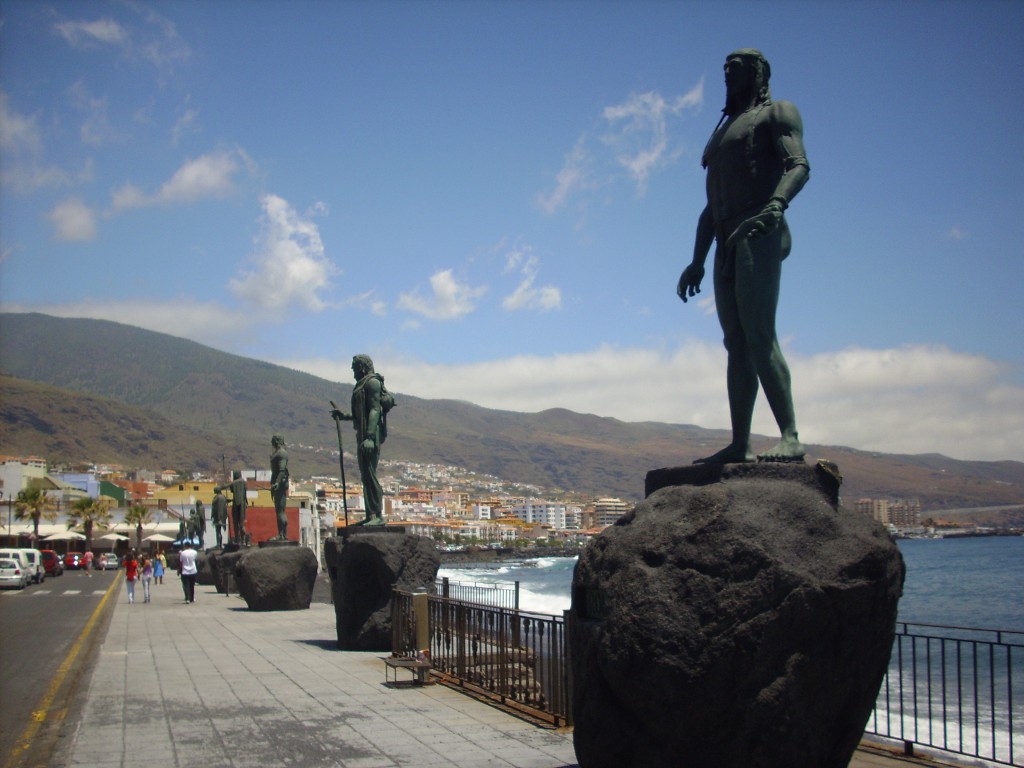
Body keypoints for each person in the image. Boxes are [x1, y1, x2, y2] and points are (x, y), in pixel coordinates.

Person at [677, 49, 810, 464]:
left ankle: (790, 436)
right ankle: (741, 443)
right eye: (725, 72)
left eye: (736, 71)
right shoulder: (722, 133)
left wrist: (776, 206)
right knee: (736, 342)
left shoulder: (777, 113)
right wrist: (697, 258)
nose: (728, 78)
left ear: (757, 74)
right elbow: (710, 205)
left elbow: (799, 164)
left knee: (759, 333)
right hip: (723, 239)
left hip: (758, 230)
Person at [332, 354, 393, 526]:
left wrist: (370, 437)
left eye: (354, 368)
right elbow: (361, 415)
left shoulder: (372, 383)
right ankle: (370, 515)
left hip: (370, 436)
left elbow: (375, 411)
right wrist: (344, 416)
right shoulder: (361, 385)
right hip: (363, 434)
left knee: (370, 474)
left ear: (362, 367)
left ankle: (378, 515)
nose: (352, 372)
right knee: (365, 475)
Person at [269, 435, 289, 540]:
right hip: (277, 485)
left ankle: (283, 534)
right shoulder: (277, 453)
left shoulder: (281, 453)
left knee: (280, 510)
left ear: (276, 441)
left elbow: (282, 470)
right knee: (278, 510)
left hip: (279, 485)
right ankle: (281, 534)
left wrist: (277, 482)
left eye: (273, 441)